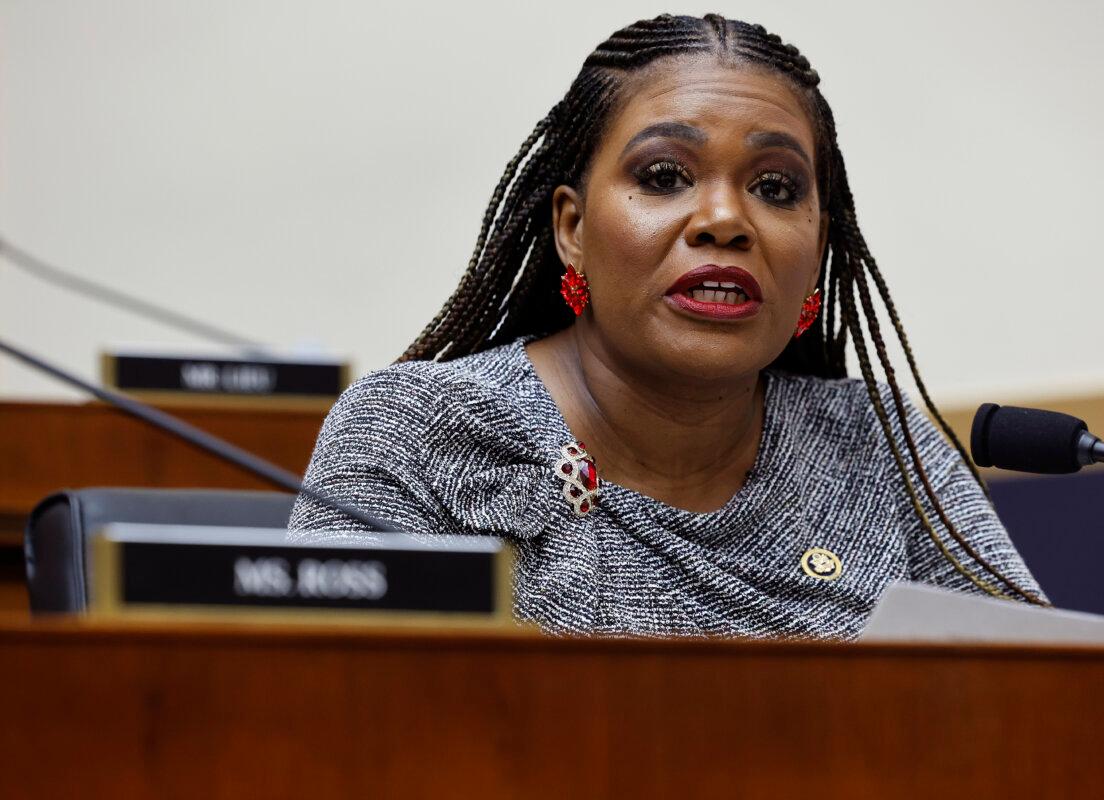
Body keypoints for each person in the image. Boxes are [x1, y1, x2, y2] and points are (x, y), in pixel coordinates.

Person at [288, 13, 1047, 638]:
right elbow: (339, 726)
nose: (724, 220)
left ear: (817, 247)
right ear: (572, 228)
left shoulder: (879, 450)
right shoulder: (419, 434)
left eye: (776, 188)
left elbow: (1046, 711)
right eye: (663, 177)